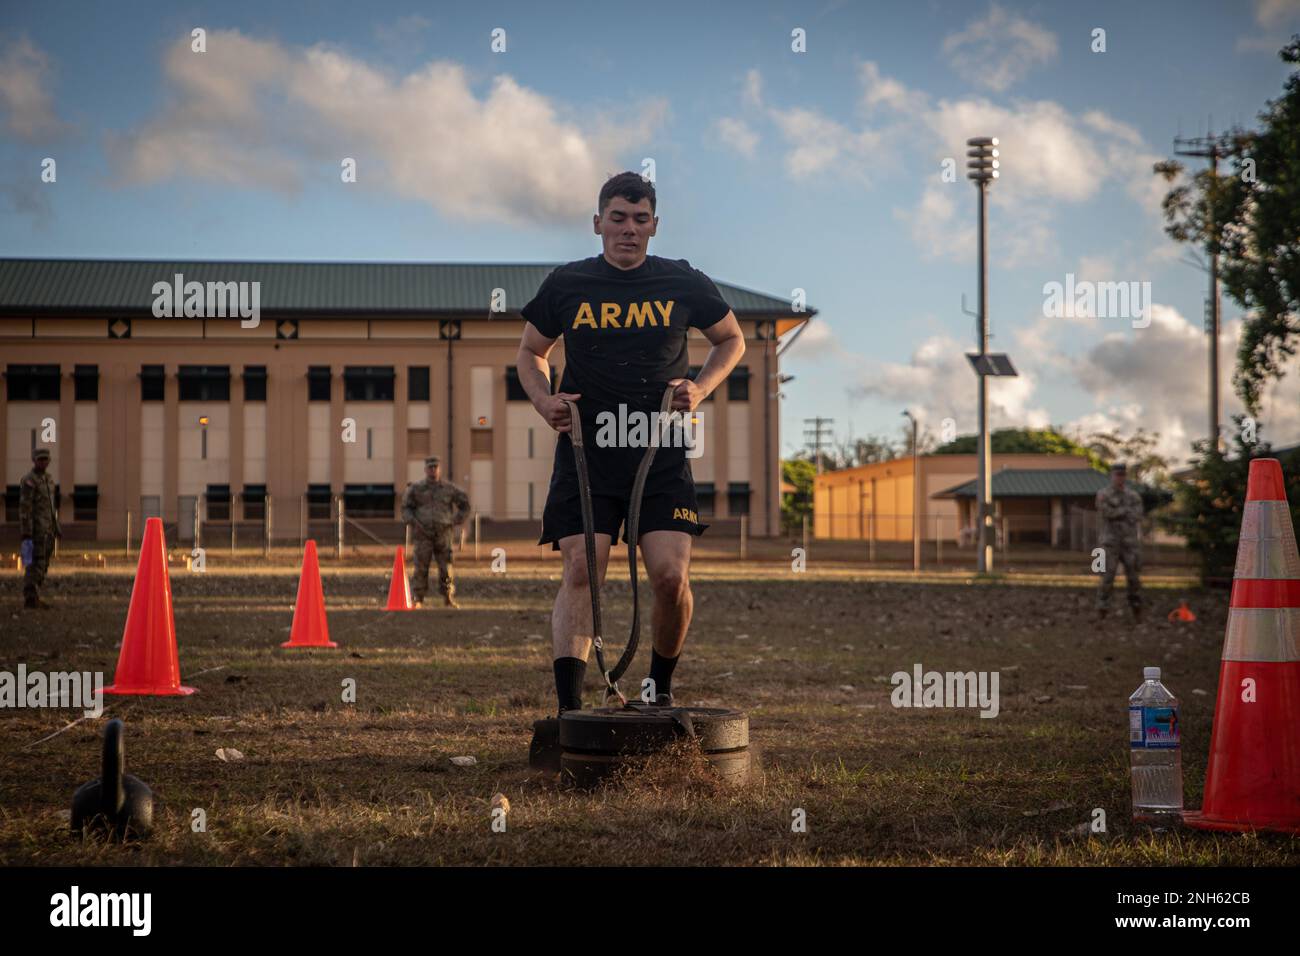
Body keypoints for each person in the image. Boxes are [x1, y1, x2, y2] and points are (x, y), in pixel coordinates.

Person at [515, 170, 745, 734]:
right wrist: (545, 402)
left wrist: (701, 387)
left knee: (669, 578)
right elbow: (530, 352)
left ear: (654, 226)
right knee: (582, 568)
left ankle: (659, 691)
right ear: (598, 223)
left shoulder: (682, 281)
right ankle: (569, 710)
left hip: (658, 454)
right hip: (587, 453)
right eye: (618, 217)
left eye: (640, 219)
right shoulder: (567, 284)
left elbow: (732, 340)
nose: (629, 229)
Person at [400, 456, 470, 608]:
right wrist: (412, 522)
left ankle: (448, 597)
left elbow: (465, 504)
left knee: (446, 567)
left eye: (435, 467)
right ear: (425, 470)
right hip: (423, 533)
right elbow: (405, 507)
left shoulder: (449, 488)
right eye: (430, 467)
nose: (433, 470)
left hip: (443, 534)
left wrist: (456, 520)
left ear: (440, 469)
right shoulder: (416, 489)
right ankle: (418, 598)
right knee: (420, 566)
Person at [1096, 461, 1144, 621]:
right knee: (1107, 577)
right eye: (1117, 475)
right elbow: (1106, 512)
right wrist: (1124, 511)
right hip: (1109, 543)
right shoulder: (1103, 494)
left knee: (1134, 578)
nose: (1120, 478)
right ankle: (1102, 609)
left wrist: (1120, 512)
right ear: (1112, 476)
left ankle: (1136, 609)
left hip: (1130, 544)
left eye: (1122, 475)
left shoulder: (1133, 495)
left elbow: (1137, 515)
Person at [20, 447, 61, 610]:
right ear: (34, 460)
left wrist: (56, 526)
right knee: (34, 563)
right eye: (40, 459)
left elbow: (52, 507)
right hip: (35, 530)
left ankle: (35, 595)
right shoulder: (29, 481)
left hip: (48, 529)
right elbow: (25, 508)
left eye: (45, 459)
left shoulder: (49, 480)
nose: (43, 462)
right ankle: (30, 597)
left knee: (44, 564)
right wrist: (26, 532)